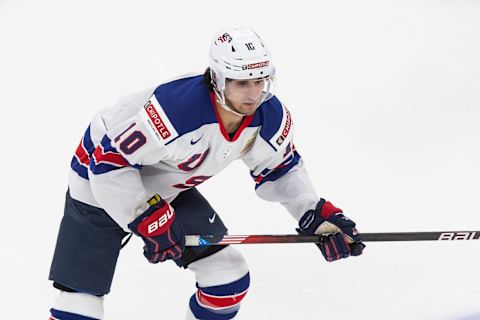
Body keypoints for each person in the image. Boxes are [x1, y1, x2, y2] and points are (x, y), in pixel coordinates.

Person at [48, 26, 365, 320]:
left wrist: (312, 213)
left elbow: (280, 170)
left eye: (259, 81)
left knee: (227, 277)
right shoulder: (175, 110)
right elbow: (108, 164)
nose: (253, 94)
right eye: (242, 82)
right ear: (218, 78)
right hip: (98, 183)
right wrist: (146, 217)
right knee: (81, 303)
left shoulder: (267, 114)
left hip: (166, 188)